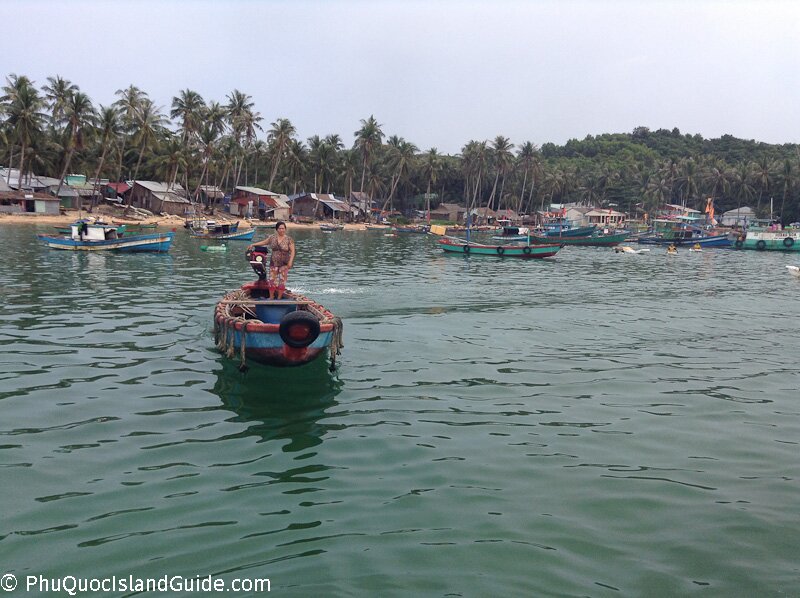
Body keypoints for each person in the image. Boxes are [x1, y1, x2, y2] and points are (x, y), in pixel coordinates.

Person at [247, 221, 295, 300]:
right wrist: (253, 244)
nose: (281, 230)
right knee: (272, 280)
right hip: (274, 262)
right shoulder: (272, 238)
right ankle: (271, 297)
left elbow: (293, 251)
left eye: (283, 228)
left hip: (284, 263)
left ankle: (279, 298)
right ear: (277, 229)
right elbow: (264, 242)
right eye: (280, 228)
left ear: (285, 229)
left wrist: (290, 262)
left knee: (282, 281)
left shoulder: (289, 239)